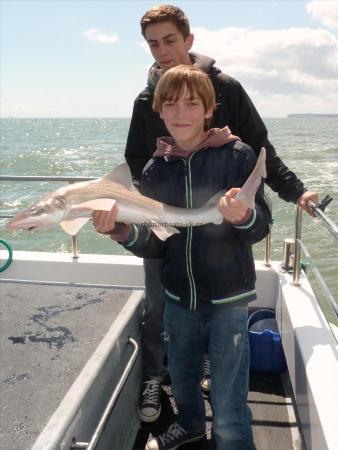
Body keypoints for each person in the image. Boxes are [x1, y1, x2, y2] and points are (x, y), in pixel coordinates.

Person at [124, 4, 318, 423]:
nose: (162, 50)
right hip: (167, 225)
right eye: (153, 44)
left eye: (170, 40)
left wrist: (297, 191)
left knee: (219, 308)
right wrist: (141, 212)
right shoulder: (145, 100)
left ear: (189, 40)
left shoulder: (225, 87)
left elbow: (260, 150)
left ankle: (212, 368)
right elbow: (137, 161)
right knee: (160, 308)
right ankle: (158, 377)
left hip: (220, 228)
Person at [93, 64, 271, 450]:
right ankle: (190, 424)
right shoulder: (156, 170)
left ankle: (232, 442)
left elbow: (262, 226)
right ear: (158, 110)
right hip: (177, 298)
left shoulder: (238, 157)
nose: (181, 112)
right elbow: (159, 243)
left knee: (227, 396)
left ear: (209, 109)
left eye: (192, 103)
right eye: (171, 104)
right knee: (183, 377)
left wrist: (245, 216)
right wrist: (121, 231)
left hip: (228, 300)